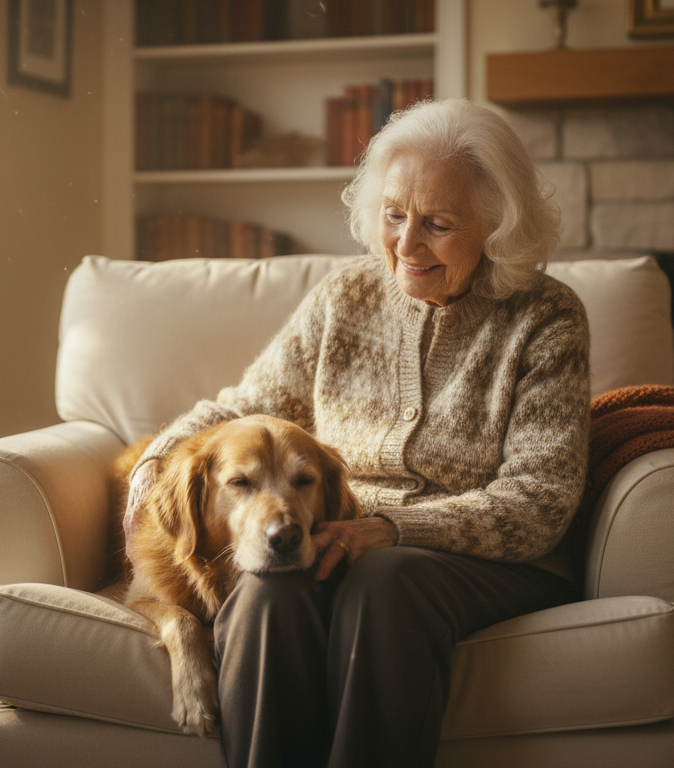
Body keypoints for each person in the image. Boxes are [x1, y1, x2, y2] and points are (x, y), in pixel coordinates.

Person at [126, 98, 591, 768]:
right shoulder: (344, 296)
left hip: (491, 562)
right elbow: (249, 404)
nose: (405, 243)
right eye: (394, 214)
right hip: (341, 538)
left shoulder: (546, 319)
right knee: (268, 581)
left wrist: (395, 528)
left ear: (496, 224)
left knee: (383, 579)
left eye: (437, 223)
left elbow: (539, 504)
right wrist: (160, 460)